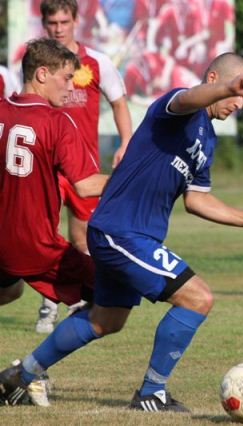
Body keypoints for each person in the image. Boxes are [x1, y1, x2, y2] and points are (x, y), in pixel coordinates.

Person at [0, 52, 243, 412]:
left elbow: (198, 201)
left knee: (104, 320)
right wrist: (228, 87)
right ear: (215, 79)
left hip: (133, 235)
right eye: (236, 94)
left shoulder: (208, 141)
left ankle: (22, 374)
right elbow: (189, 97)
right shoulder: (176, 108)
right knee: (198, 297)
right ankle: (151, 393)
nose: (238, 103)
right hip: (121, 232)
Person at [0, 38, 108, 406]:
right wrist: (139, 180)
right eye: (66, 77)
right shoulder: (55, 120)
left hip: (2, 245)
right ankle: (27, 372)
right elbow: (86, 184)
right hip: (37, 247)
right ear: (42, 74)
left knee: (9, 291)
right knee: (113, 297)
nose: (72, 84)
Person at [35, 0, 134, 334]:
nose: (58, 28)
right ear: (44, 23)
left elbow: (119, 103)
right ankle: (49, 304)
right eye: (52, 22)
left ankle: (85, 298)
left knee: (81, 237)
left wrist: (125, 143)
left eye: (64, 21)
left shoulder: (95, 62)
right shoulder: (37, 64)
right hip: (44, 165)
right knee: (44, 235)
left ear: (76, 21)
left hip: (83, 169)